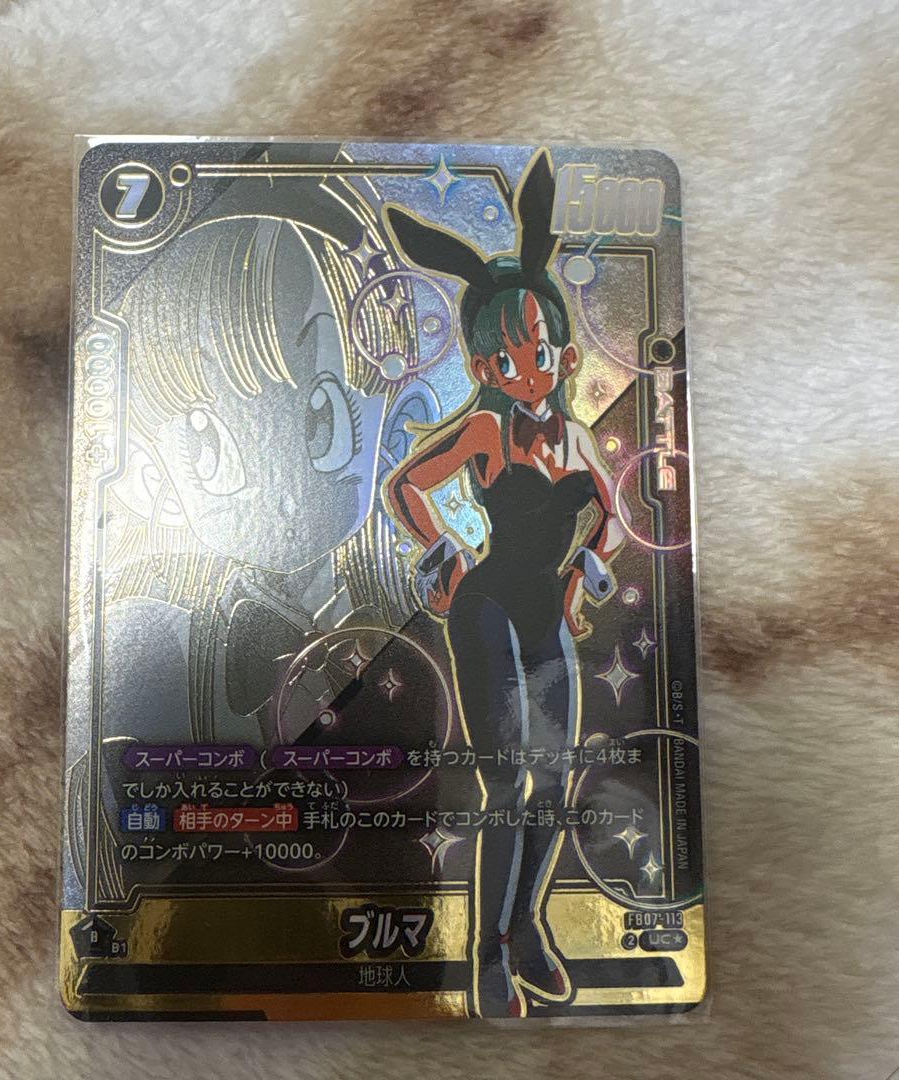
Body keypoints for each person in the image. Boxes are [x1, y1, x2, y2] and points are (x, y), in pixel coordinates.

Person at [384, 150, 627, 1016]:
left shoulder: (577, 439)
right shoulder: (488, 429)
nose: (533, 365)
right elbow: (408, 487)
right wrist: (444, 548)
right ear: (488, 367)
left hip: (545, 619)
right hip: (485, 611)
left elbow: (610, 519)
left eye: (543, 349)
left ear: (564, 353)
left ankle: (526, 930)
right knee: (509, 787)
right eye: (513, 355)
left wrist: (584, 577)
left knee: (554, 784)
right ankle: (486, 956)